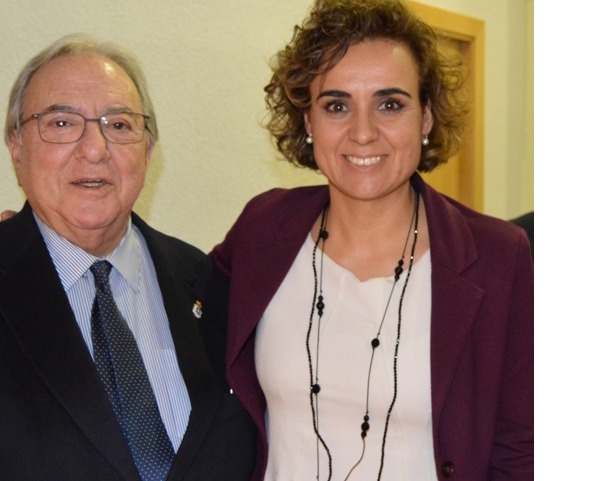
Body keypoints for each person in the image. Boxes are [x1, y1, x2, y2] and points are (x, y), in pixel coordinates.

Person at [0, 34, 255, 481]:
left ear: (148, 151)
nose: (95, 148)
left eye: (119, 125)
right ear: (16, 147)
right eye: (61, 123)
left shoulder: (211, 284)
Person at [209, 1, 533, 480]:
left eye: (390, 104)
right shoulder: (263, 229)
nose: (362, 133)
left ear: (426, 117)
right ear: (308, 121)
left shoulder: (499, 257)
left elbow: (522, 450)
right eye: (337, 106)